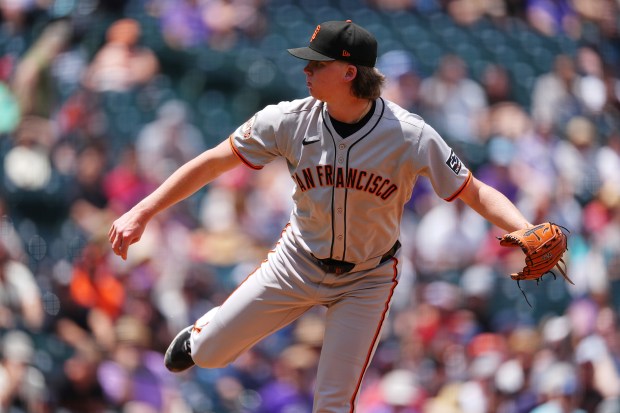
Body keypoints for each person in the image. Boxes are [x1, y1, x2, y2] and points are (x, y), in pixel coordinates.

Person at [108, 20, 536, 412]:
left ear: (350, 72)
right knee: (212, 353)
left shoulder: (410, 135)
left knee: (332, 404)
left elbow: (473, 190)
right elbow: (213, 161)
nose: (306, 71)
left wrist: (526, 230)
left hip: (367, 278)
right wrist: (144, 210)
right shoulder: (288, 120)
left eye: (317, 63)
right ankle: (203, 333)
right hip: (297, 260)